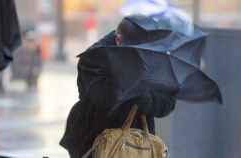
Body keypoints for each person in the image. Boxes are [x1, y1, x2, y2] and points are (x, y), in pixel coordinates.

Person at [60, 16, 176, 158]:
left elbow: (167, 102)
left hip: (138, 143)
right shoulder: (94, 58)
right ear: (119, 40)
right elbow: (100, 99)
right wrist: (132, 82)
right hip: (93, 136)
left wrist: (148, 99)